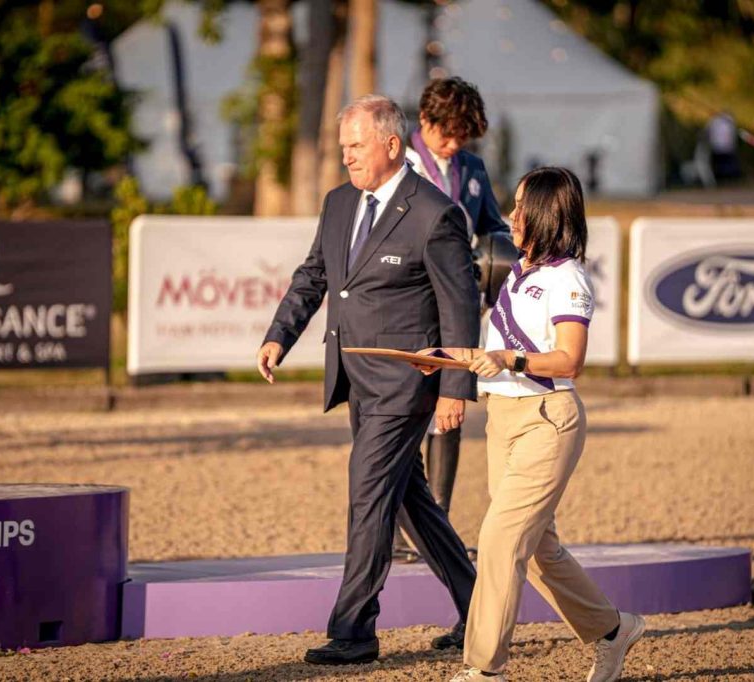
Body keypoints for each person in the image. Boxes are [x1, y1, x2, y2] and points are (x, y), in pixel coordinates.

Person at [256, 94, 480, 664]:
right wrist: (279, 336)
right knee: (409, 502)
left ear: (391, 144)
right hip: (356, 380)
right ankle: (481, 606)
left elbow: (459, 306)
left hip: (407, 385)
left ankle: (354, 631)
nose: (347, 157)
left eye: (356, 146)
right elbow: (314, 275)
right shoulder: (338, 203)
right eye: (343, 148)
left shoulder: (435, 213)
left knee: (368, 491)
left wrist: (454, 389)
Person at [411, 167, 644, 682]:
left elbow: (569, 360)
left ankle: (484, 667)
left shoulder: (568, 278)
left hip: (547, 420)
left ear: (545, 214)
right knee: (537, 550)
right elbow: (491, 354)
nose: (511, 216)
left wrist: (511, 360)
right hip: (503, 419)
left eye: (520, 207)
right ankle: (612, 630)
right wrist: (448, 358)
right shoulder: (518, 272)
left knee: (499, 539)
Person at [393, 77, 510, 566]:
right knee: (403, 417)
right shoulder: (398, 165)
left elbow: (495, 230)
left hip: (459, 309)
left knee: (449, 414)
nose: (456, 144)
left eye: (465, 135)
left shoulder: (473, 169)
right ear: (425, 120)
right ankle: (399, 532)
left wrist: (492, 259)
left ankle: (436, 527)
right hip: (407, 311)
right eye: (449, 133)